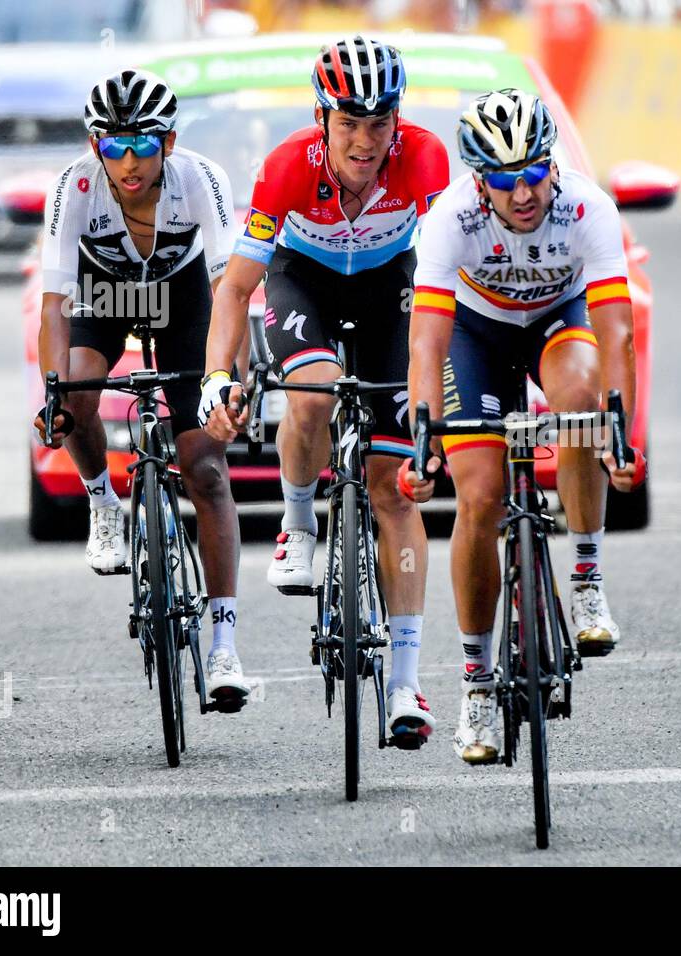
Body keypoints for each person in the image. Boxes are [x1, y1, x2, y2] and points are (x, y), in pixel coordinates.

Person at [200, 36, 449, 746]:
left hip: (390, 286)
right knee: (312, 394)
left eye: (380, 123)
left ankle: (405, 684)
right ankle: (300, 523)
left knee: (392, 487)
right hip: (301, 279)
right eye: (349, 123)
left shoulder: (424, 157)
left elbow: (444, 273)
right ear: (322, 119)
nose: (366, 142)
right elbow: (236, 288)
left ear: (398, 119)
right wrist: (220, 373)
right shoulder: (285, 168)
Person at [402, 89, 642, 765]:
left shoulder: (588, 208)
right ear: (479, 180)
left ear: (552, 165)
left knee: (579, 399)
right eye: (504, 181)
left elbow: (616, 329)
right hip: (474, 335)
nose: (523, 191)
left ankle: (588, 582)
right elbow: (425, 343)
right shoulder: (450, 218)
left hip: (556, 320)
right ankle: (477, 685)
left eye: (534, 172)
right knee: (477, 496)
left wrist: (616, 433)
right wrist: (423, 440)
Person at [33, 70, 249, 704]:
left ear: (171, 143)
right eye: (114, 145)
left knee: (204, 469)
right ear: (94, 144)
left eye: (145, 145)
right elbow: (54, 304)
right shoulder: (73, 187)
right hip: (103, 295)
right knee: (74, 393)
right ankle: (104, 504)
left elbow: (225, 291)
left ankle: (225, 647)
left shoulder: (202, 181)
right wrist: (53, 393)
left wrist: (219, 381)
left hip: (186, 302)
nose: (129, 162)